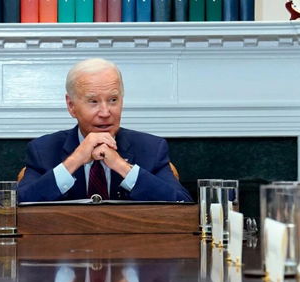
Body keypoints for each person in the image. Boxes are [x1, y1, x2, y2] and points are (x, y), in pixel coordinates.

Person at [18, 57, 191, 203]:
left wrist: (121, 166)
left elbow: (182, 204)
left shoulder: (151, 148)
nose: (106, 112)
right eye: (93, 101)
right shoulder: (43, 150)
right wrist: (75, 160)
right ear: (71, 106)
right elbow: (16, 206)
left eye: (113, 100)